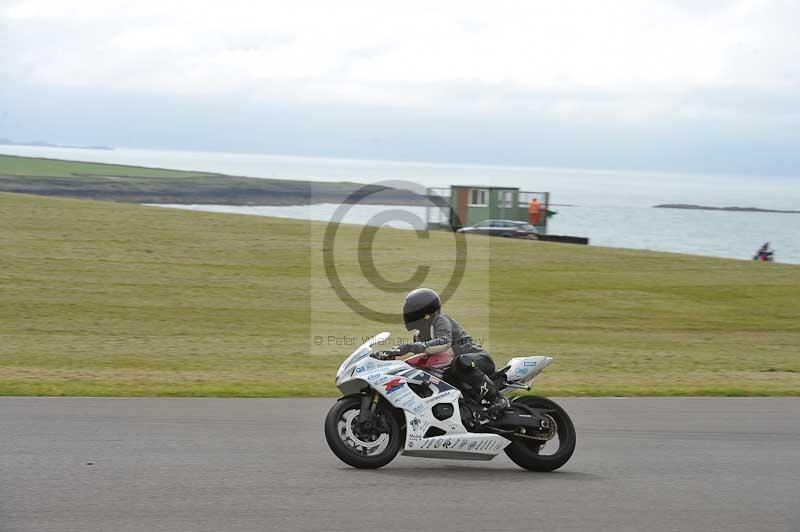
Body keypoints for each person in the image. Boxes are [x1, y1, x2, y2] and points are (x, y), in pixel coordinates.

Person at [393, 288, 509, 416]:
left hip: (478, 360)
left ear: (423, 311)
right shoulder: (420, 335)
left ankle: (497, 398)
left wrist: (410, 347)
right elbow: (422, 357)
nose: (407, 313)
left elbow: (444, 342)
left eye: (410, 310)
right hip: (455, 371)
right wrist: (393, 356)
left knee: (460, 362)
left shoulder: (440, 320)